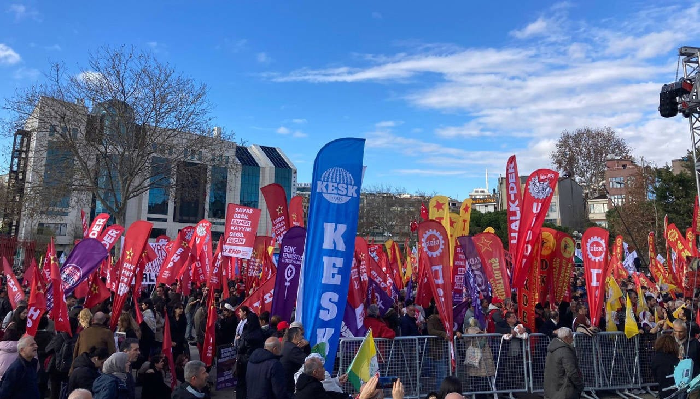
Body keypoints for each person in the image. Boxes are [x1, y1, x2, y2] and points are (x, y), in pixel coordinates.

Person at [543, 328, 584, 399]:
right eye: (571, 337)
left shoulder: (552, 349)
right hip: (564, 391)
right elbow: (572, 372)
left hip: (552, 390)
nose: (573, 339)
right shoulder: (565, 351)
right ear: (565, 338)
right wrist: (580, 385)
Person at [236, 306, 265, 399]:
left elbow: (240, 348)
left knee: (242, 384)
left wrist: (239, 340)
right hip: (257, 361)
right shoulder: (261, 333)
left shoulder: (246, 334)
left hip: (245, 361)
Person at [652, 334, 680, 399]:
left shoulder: (655, 358)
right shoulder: (674, 358)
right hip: (674, 390)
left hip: (662, 389)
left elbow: (655, 375)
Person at [280, 327, 307, 394]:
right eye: (301, 335)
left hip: (284, 380)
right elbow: (307, 361)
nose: (302, 337)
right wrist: (306, 346)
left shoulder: (286, 345)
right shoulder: (293, 349)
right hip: (289, 382)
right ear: (295, 336)